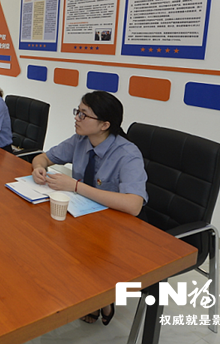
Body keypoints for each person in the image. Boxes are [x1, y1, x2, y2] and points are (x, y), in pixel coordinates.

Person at [30, 90, 147, 326]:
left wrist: (75, 186)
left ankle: (102, 294)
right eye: (78, 112)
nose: (77, 118)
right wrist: (38, 169)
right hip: (83, 215)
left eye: (83, 115)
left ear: (105, 125)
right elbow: (43, 158)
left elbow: (134, 205)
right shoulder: (80, 140)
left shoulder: (127, 154)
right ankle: (86, 289)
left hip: (115, 227)